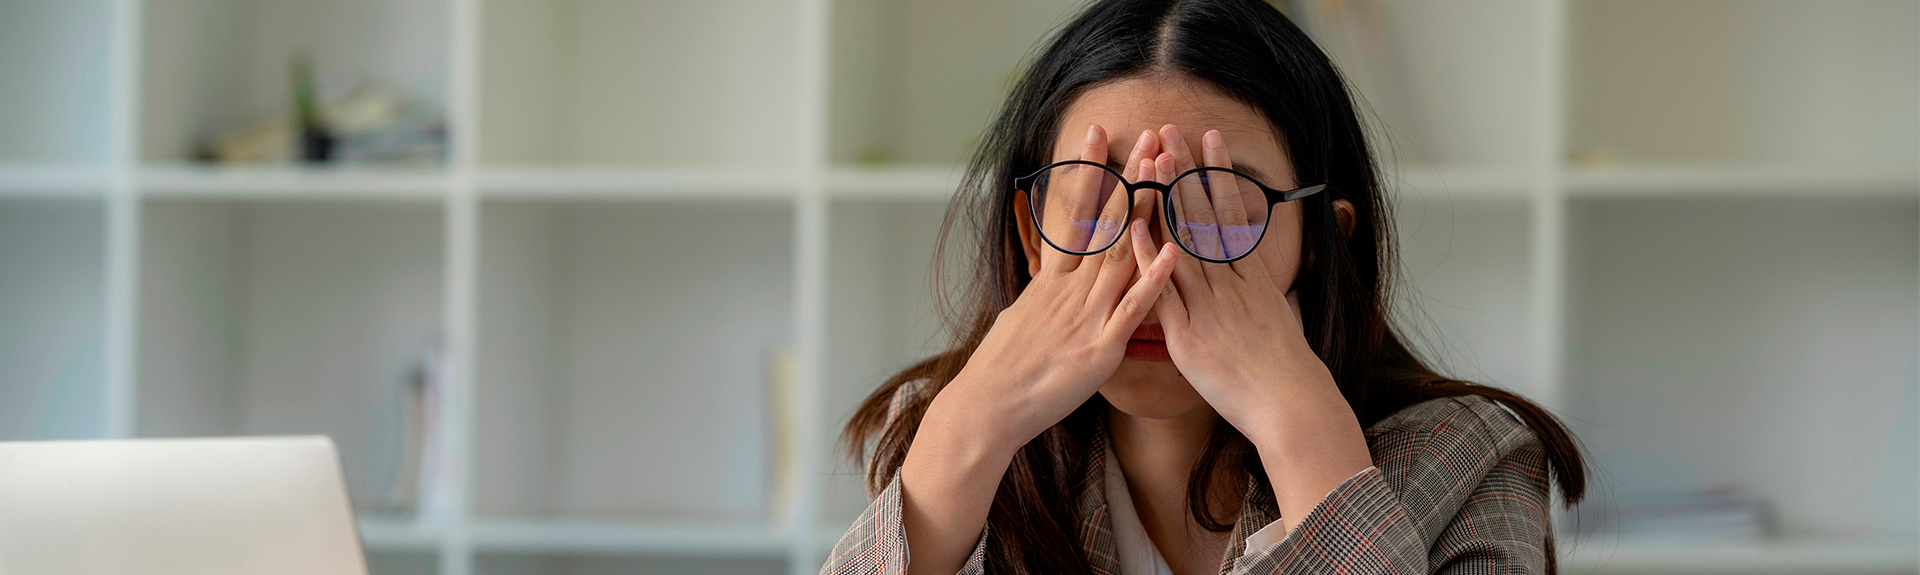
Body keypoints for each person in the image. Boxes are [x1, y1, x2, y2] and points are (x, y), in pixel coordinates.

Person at [823, 1, 1586, 573]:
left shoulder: (1471, 456)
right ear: (1031, 235)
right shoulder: (937, 428)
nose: (1151, 261)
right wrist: (969, 427)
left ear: (1319, 242)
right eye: (1097, 198)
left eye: (1215, 204)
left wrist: (1303, 431)